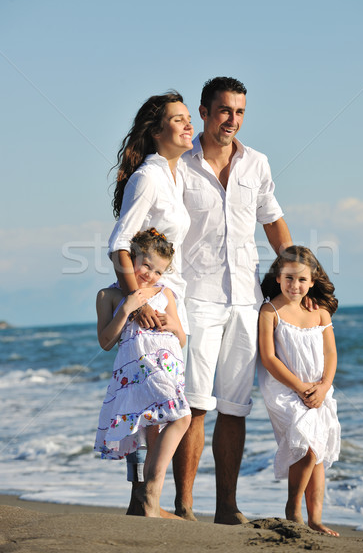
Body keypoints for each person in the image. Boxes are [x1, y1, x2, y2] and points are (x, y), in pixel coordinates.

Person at [173, 77, 293, 524]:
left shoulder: (256, 163)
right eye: (224, 111)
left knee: (235, 408)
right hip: (196, 299)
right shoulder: (179, 164)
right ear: (203, 112)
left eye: (240, 112)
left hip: (245, 300)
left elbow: (274, 222)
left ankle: (227, 506)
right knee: (193, 405)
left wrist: (301, 280)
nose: (232, 120)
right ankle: (184, 506)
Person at [107, 92, 193, 514]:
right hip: (149, 308)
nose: (188, 124)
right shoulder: (149, 177)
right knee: (166, 408)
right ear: (158, 131)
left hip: (167, 305)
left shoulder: (175, 177)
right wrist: (135, 301)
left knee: (159, 409)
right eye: (178, 119)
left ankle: (142, 500)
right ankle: (149, 496)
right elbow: (119, 244)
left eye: (189, 117)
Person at [94, 228, 191, 518]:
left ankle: (150, 500)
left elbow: (182, 339)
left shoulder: (166, 294)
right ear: (130, 257)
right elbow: (105, 342)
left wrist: (173, 326)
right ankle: (150, 492)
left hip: (168, 370)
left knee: (154, 435)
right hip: (138, 373)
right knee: (182, 417)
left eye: (158, 271)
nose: (150, 274)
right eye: (146, 265)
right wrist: (127, 309)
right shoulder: (108, 295)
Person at [257, 246, 341, 537]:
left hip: (318, 392)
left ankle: (315, 518)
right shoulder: (270, 311)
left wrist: (324, 386)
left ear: (313, 280)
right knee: (305, 448)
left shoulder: (318, 312)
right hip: (285, 390)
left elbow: (331, 353)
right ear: (278, 278)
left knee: (317, 452)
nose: (295, 285)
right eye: (289, 278)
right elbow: (268, 358)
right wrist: (301, 387)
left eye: (302, 280)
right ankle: (293, 508)